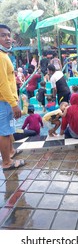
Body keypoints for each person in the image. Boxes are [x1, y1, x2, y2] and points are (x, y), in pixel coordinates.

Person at [0, 24, 25, 170]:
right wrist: (13, 104)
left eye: (8, 35)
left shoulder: (4, 55)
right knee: (4, 132)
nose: (8, 38)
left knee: (8, 129)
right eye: (3, 35)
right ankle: (7, 162)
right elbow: (3, 84)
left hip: (6, 101)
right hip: (4, 101)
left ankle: (10, 152)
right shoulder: (1, 57)